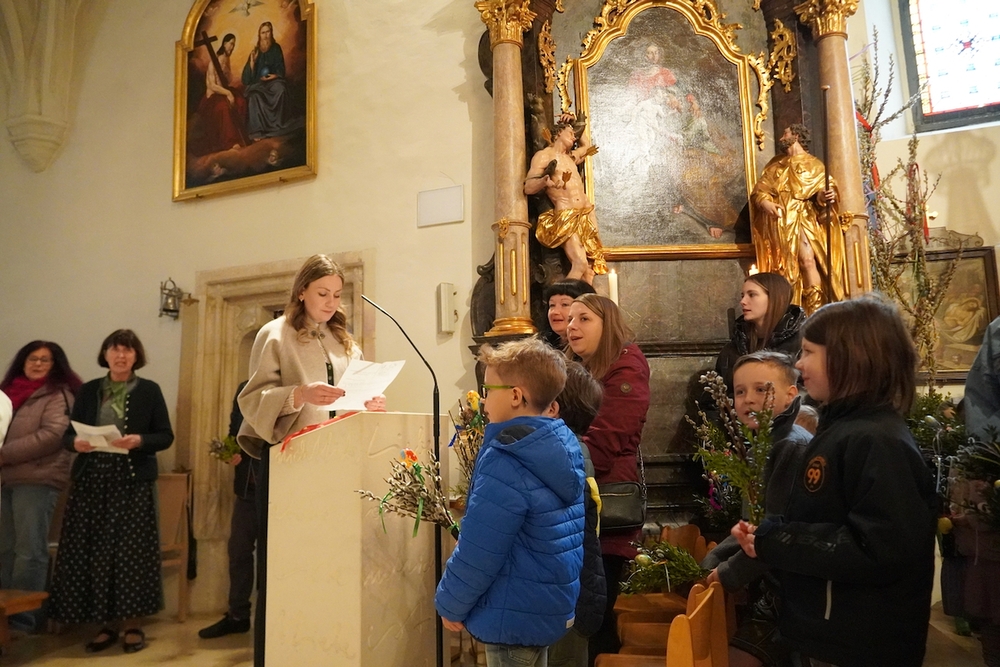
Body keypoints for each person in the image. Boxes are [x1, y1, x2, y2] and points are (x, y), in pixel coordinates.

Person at [731, 296, 937, 667]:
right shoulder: (843, 431)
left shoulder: (875, 440)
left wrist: (777, 540)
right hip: (828, 633)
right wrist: (769, 536)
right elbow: (822, 517)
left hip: (858, 642)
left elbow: (878, 550)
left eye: (809, 352)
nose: (798, 363)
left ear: (849, 357)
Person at [237, 254, 384, 666]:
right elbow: (252, 399)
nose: (331, 302)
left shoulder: (344, 340)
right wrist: (299, 395)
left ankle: (326, 650)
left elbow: (348, 398)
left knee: (330, 565)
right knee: (287, 567)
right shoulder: (275, 334)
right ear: (302, 291)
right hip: (293, 464)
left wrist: (369, 403)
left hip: (338, 465)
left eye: (337, 295)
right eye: (322, 293)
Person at [435, 337, 585, 667]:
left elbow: (480, 548)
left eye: (488, 390)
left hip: (510, 613)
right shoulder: (559, 445)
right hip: (541, 605)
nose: (483, 401)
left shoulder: (508, 457)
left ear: (515, 396)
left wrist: (450, 603)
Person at [50, 329, 174, 654]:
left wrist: (140, 440)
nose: (121, 356)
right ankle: (105, 624)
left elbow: (165, 436)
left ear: (136, 356)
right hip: (91, 480)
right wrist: (75, 443)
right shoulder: (89, 390)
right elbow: (68, 435)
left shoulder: (149, 390)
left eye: (127, 351)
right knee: (95, 552)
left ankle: (132, 625)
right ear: (105, 354)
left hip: (131, 480)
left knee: (130, 554)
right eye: (115, 350)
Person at [701, 351, 811, 667]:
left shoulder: (790, 445)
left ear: (791, 394)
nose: (748, 399)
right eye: (740, 391)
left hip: (792, 596)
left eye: (761, 389)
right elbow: (751, 527)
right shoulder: (766, 444)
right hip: (776, 590)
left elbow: (772, 532)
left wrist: (726, 574)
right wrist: (711, 562)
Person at [564, 293, 650, 659]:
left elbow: (607, 437)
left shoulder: (626, 366)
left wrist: (559, 466)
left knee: (596, 616)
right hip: (585, 495)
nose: (572, 326)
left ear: (608, 324)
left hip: (607, 502)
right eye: (570, 319)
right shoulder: (584, 368)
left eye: (583, 318)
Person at [0, 341, 82, 632]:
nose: (37, 364)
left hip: (37, 479)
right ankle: (4, 619)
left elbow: (52, 435)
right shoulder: (8, 395)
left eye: (44, 360)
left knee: (29, 552)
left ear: (55, 365)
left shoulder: (59, 394)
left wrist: (3, 454)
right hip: (7, 478)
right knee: (5, 550)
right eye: (32, 359)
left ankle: (23, 621)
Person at [546, 360, 607, 667]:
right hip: (574, 592)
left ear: (552, 408)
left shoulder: (564, 458)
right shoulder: (573, 450)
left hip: (570, 597)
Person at [750, 124, 847, 315]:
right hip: (780, 220)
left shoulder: (814, 164)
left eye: (785, 133)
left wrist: (825, 196)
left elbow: (825, 189)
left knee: (808, 261)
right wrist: (765, 203)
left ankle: (815, 312)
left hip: (803, 218)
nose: (781, 138)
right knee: (784, 267)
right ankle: (789, 313)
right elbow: (759, 191)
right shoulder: (775, 166)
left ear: (796, 136)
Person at [199, 381, 257, 640]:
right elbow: (234, 432)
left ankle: (272, 618)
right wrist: (230, 452)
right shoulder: (245, 388)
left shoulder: (290, 386)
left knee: (273, 557)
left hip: (280, 489)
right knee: (239, 552)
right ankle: (238, 616)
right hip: (247, 487)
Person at [525, 115, 607, 283]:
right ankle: (562, 297)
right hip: (566, 214)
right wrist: (543, 181)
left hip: (586, 213)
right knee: (579, 264)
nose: (574, 137)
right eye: (570, 133)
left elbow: (587, 146)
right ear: (558, 133)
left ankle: (585, 298)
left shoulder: (571, 157)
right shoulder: (544, 156)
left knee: (589, 269)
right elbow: (528, 187)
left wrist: (575, 121)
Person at [715, 272, 805, 393]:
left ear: (775, 298)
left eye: (752, 295)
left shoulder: (803, 343)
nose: (742, 301)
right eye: (742, 295)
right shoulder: (731, 349)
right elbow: (717, 394)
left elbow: (809, 392)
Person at [241, 21, 303, 141]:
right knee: (253, 96)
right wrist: (252, 63)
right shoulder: (255, 52)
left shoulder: (276, 48)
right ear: (259, 35)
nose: (265, 35)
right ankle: (257, 131)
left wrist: (274, 76)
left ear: (271, 33)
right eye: (263, 33)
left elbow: (281, 69)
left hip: (273, 81)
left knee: (281, 89)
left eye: (267, 32)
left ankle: (277, 125)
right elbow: (246, 79)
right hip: (258, 84)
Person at [195, 33, 248, 155]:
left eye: (234, 45)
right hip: (212, 97)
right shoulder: (213, 62)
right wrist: (228, 93)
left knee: (241, 101)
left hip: (222, 92)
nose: (232, 47)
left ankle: (241, 135)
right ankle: (230, 142)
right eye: (231, 44)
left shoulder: (226, 59)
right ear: (224, 44)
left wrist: (227, 72)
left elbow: (227, 81)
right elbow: (212, 86)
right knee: (224, 107)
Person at [543, 279, 596, 349]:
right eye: (552, 305)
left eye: (564, 304)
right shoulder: (542, 347)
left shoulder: (591, 349)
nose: (555, 312)